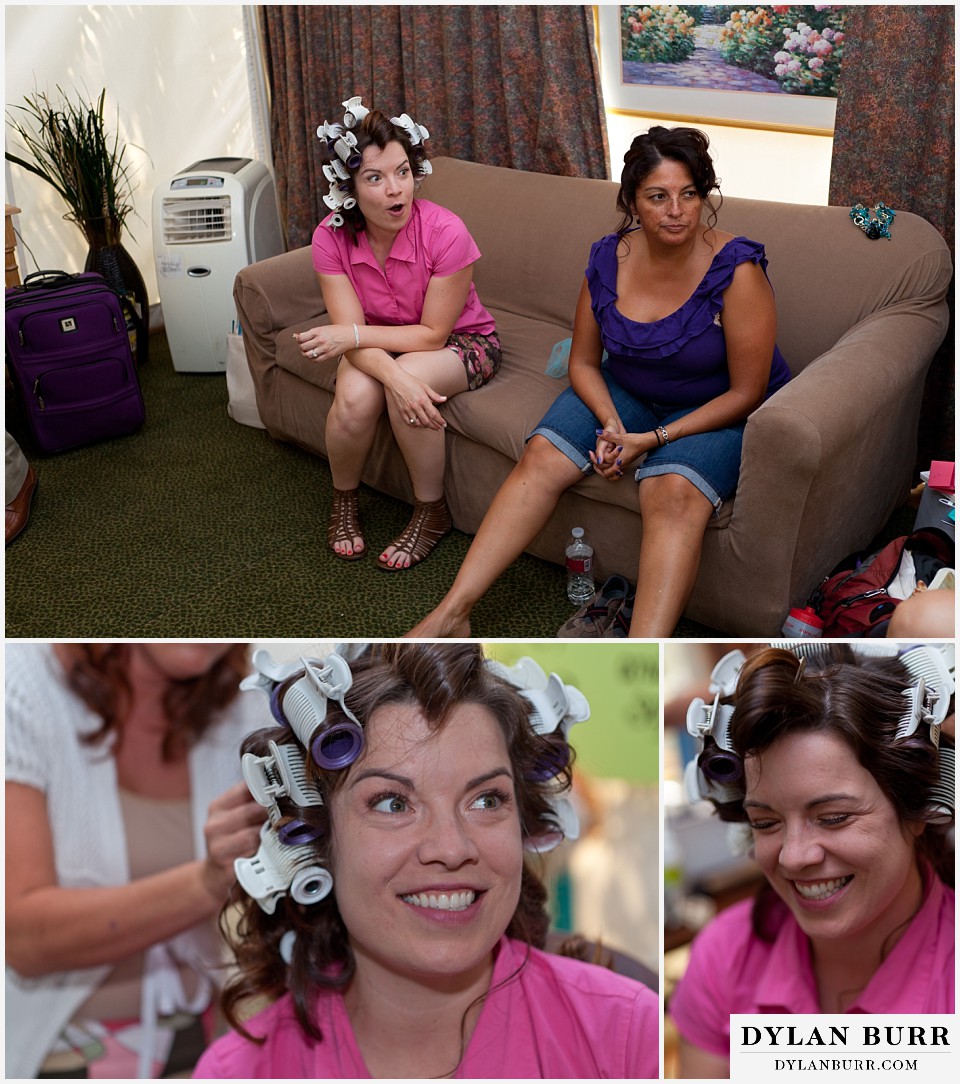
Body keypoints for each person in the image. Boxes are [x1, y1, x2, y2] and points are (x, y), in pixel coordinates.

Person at [194, 642, 659, 1078]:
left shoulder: (626, 1036)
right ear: (316, 842)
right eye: (393, 804)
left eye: (486, 800)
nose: (452, 848)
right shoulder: (238, 1072)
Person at [409, 125, 790, 637]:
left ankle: (639, 654)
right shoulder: (610, 257)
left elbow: (747, 392)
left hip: (718, 405)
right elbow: (584, 362)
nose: (676, 210)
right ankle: (451, 612)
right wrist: (612, 424)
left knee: (671, 489)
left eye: (689, 194)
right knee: (543, 455)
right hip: (629, 390)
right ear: (633, 200)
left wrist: (650, 442)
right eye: (658, 196)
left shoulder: (738, 271)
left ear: (704, 197)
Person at [670, 643, 955, 1079]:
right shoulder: (723, 955)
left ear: (919, 810)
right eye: (765, 823)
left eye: (834, 818)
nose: (794, 856)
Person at [5, 643, 266, 1079]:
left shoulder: (246, 706)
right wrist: (208, 881)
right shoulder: (20, 683)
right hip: (51, 1053)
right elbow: (24, 941)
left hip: (194, 1040)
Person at [298, 97, 501, 570]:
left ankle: (432, 512)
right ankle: (344, 500)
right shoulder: (330, 236)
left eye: (403, 172)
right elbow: (353, 332)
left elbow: (431, 335)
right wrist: (384, 365)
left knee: (405, 384)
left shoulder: (447, 232)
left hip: (462, 343)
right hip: (376, 340)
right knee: (353, 399)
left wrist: (375, 358)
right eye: (375, 178)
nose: (396, 191)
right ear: (347, 187)